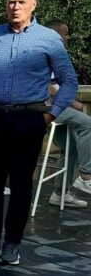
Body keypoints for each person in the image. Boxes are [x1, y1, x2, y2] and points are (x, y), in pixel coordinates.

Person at [0, 0, 77, 265]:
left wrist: (50, 115)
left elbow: (69, 81)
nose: (15, 6)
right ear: (5, 5)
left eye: (21, 2)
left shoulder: (49, 39)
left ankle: (12, 244)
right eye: (11, 1)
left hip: (28, 119)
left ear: (34, 5)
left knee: (21, 185)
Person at [44, 20, 91, 209]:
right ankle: (86, 176)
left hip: (54, 107)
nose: (68, 37)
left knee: (70, 148)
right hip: (45, 108)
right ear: (55, 35)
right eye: (65, 33)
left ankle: (60, 194)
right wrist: (72, 102)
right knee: (88, 124)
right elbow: (48, 87)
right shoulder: (47, 52)